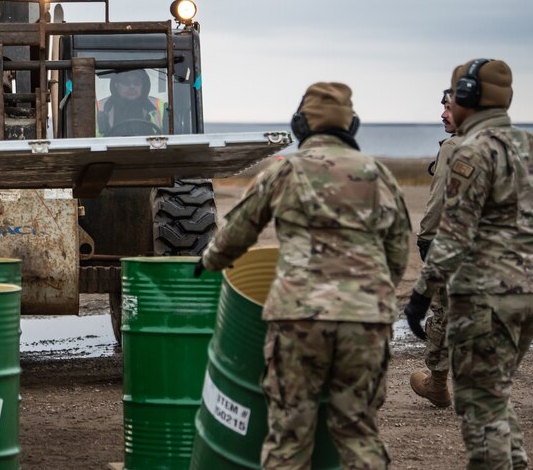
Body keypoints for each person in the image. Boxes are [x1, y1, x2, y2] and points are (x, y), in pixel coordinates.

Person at [197, 82, 410, 468]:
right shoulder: (379, 174)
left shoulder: (285, 172)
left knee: (290, 434)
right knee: (358, 429)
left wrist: (208, 261)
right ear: (353, 126)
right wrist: (373, 295)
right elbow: (398, 251)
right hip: (367, 318)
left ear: (299, 125)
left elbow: (236, 233)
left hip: (300, 317)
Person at [405, 58, 533, 468]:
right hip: (526, 292)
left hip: (488, 296)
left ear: (467, 97)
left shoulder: (471, 152)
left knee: (480, 414)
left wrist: (421, 295)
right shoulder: (526, 147)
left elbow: (454, 233)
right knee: (494, 401)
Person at [409, 88, 459, 408]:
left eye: (450, 109)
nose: (443, 115)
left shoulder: (454, 147)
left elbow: (439, 199)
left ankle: (438, 384)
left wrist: (426, 239)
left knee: (443, 310)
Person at [95, 70, 165, 136]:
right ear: (116, 85)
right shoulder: (99, 108)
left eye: (137, 82)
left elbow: (173, 138)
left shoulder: (160, 107)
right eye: (126, 82)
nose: (132, 86)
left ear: (143, 85)